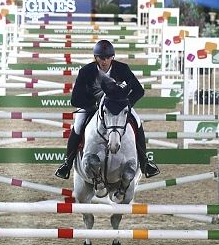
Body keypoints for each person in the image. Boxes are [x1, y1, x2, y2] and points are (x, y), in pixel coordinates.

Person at [55, 40, 160, 180]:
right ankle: (67, 163)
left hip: (118, 105)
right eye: (101, 58)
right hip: (92, 107)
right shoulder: (86, 72)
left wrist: (126, 103)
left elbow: (139, 90)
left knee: (138, 122)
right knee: (78, 125)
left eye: (107, 58)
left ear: (112, 57)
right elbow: (75, 99)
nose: (104, 61)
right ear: (96, 57)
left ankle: (145, 162)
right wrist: (94, 105)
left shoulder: (122, 69)